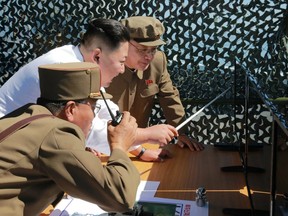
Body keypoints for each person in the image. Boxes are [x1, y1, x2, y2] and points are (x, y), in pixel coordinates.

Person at [0, 18, 178, 159]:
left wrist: (139, 150)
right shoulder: (64, 67)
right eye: (121, 62)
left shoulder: (81, 61)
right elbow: (86, 129)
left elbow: (106, 112)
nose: (122, 69)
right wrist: (145, 134)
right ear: (98, 56)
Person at [0, 62, 140, 215]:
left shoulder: (26, 116)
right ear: (71, 109)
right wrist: (119, 146)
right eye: (93, 107)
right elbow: (121, 197)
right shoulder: (57, 133)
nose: (93, 116)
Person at [105, 16, 205, 161]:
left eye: (153, 49)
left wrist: (181, 133)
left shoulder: (158, 61)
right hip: (102, 144)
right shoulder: (103, 65)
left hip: (138, 145)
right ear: (122, 44)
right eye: (142, 50)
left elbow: (170, 97)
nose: (149, 56)